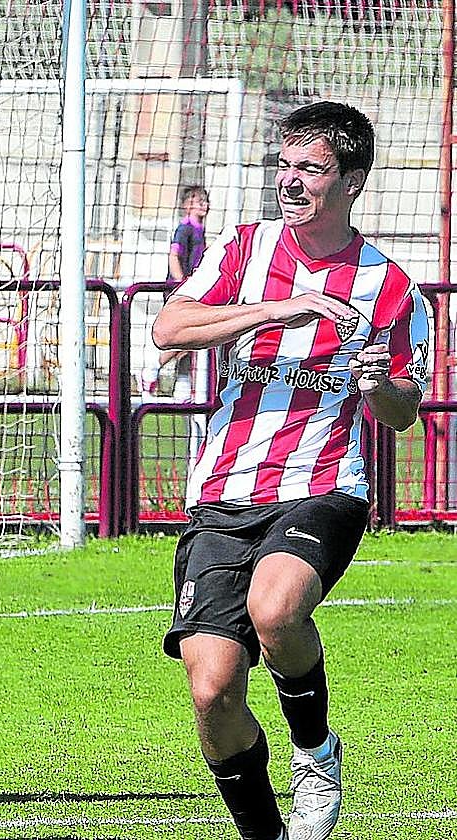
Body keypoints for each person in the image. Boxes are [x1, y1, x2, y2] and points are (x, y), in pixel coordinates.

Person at [151, 102, 431, 840]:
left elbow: (405, 410)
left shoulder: (394, 289)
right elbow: (168, 329)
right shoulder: (246, 251)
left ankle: (315, 751)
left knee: (278, 611)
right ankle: (266, 835)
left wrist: (379, 388)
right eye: (285, 164)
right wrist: (278, 310)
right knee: (212, 692)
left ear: (352, 182)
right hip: (222, 494)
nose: (291, 180)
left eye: (311, 168)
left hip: (323, 487)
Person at [141, 185, 210, 400]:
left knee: (192, 342)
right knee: (184, 335)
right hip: (180, 290)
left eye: (206, 202)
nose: (205, 206)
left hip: (195, 289)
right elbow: (174, 255)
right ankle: (151, 369)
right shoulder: (185, 228)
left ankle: (182, 387)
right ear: (187, 205)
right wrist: (181, 284)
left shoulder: (200, 229)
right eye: (200, 202)